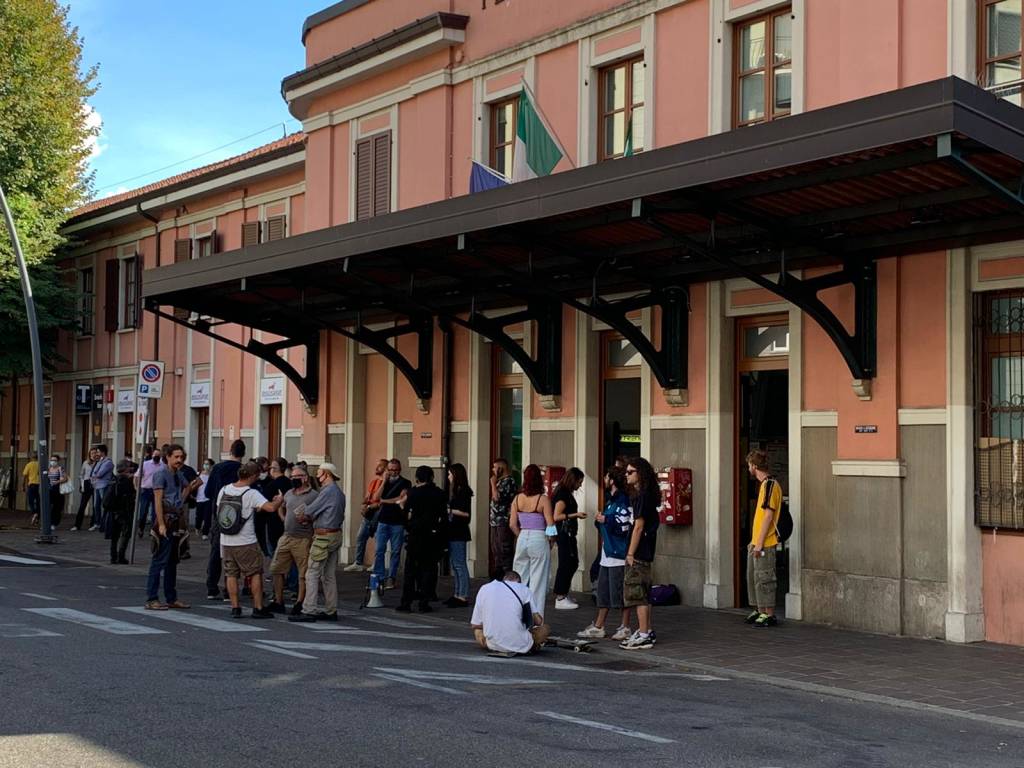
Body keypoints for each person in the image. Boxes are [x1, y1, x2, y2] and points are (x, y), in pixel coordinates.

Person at [218, 461, 285, 619]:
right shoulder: (251, 493)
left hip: (226, 540)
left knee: (231, 574)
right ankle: (258, 607)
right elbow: (270, 508)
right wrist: (280, 500)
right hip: (246, 541)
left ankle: (235, 607)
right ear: (254, 476)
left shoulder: (224, 490)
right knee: (255, 573)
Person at [578, 466, 635, 641]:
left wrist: (606, 520)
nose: (604, 479)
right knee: (603, 592)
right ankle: (599, 625)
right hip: (608, 553)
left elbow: (624, 527)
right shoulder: (612, 501)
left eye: (606, 476)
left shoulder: (623, 501)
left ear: (612, 480)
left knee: (620, 594)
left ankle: (625, 627)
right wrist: (601, 521)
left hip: (618, 554)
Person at [289, 462, 347, 623]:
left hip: (323, 536)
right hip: (335, 535)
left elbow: (309, 510)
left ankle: (309, 610)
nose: (317, 476)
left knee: (312, 573)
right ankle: (331, 609)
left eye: (319, 473)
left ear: (327, 474)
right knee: (328, 575)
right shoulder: (339, 492)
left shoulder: (327, 491)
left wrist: (302, 514)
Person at [145, 444, 201, 611]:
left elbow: (188, 486)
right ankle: (152, 598)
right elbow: (157, 500)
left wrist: (182, 499)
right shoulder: (160, 474)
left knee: (172, 561)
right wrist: (161, 524)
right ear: (167, 457)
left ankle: (171, 597)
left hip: (176, 518)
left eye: (181, 457)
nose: (179, 460)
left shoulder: (179, 474)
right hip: (166, 520)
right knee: (159, 560)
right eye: (176, 457)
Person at [620, 457, 661, 650]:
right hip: (645, 549)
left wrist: (630, 552)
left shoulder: (642, 496)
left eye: (630, 472)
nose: (626, 475)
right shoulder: (645, 495)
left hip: (639, 551)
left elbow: (638, 526)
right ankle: (646, 630)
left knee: (637, 593)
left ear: (640, 474)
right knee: (642, 591)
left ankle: (644, 633)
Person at [396, 466, 448, 613]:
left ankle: (406, 602)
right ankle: (424, 602)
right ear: (431, 477)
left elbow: (406, 516)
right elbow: (444, 517)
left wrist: (408, 525)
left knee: (410, 570)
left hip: (415, 535)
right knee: (428, 570)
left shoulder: (413, 493)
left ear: (417, 478)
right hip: (432, 536)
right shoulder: (439, 494)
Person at [268, 463, 317, 615]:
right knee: (276, 569)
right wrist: (283, 518)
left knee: (303, 573)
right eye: (293, 477)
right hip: (286, 536)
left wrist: (309, 520)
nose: (295, 479)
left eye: (298, 477)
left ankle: (299, 602)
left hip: (303, 538)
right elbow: (280, 506)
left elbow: (318, 514)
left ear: (306, 478)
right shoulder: (289, 493)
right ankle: (278, 601)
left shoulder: (313, 495)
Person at [510, 464, 555, 620]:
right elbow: (550, 524)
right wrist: (551, 541)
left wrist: (521, 534)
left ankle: (515, 615)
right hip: (539, 537)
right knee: (538, 582)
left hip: (522, 537)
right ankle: (536, 620)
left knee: (518, 579)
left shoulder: (517, 498)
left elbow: (512, 524)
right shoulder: (543, 499)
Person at [470, 569, 550, 655]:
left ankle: (496, 644)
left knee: (478, 631)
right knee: (545, 629)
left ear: (504, 578)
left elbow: (475, 625)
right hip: (521, 644)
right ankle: (529, 645)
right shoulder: (524, 589)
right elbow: (538, 621)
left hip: (492, 644)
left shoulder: (484, 588)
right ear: (518, 581)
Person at [745, 449, 783, 629]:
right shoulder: (764, 485)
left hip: (765, 542)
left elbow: (768, 515)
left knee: (765, 578)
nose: (748, 469)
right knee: (754, 577)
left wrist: (759, 543)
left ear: (754, 466)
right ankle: (759, 609)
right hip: (756, 541)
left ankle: (769, 614)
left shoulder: (770, 485)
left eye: (749, 465)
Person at [205, 440, 246, 600]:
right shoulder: (243, 470)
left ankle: (211, 587)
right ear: (243, 453)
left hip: (219, 514)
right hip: (238, 516)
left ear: (230, 451)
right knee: (233, 553)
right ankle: (230, 589)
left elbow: (208, 492)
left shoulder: (217, 468)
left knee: (216, 551)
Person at [373, 458, 412, 590]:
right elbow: (375, 497)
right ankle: (379, 577)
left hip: (398, 522)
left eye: (395, 470)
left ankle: (391, 578)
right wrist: (384, 481)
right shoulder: (384, 482)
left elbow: (400, 499)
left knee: (395, 552)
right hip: (383, 521)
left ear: (400, 470)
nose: (393, 473)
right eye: (390, 470)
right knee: (379, 551)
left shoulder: (406, 482)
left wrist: (384, 501)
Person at [344, 458, 387, 572]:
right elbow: (368, 497)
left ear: (386, 468)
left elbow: (381, 501)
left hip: (379, 514)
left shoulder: (386, 484)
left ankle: (376, 564)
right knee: (360, 537)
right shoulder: (373, 482)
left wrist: (371, 505)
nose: (377, 468)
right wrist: (364, 505)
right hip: (369, 514)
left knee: (379, 540)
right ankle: (358, 563)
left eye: (380, 466)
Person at [552, 467, 586, 610]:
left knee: (572, 562)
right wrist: (575, 515)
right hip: (565, 533)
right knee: (567, 562)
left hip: (568, 533)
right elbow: (557, 516)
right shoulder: (563, 495)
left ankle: (563, 593)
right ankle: (560, 596)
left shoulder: (564, 493)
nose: (580, 485)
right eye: (579, 482)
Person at [445, 463, 473, 608]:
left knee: (459, 564)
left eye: (450, 474)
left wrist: (450, 510)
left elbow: (466, 514)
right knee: (455, 564)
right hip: (453, 530)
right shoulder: (455, 491)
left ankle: (463, 595)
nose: (448, 477)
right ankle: (457, 593)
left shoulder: (464, 492)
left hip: (459, 531)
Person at [104, 460, 136, 564]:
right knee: (126, 534)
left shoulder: (113, 479)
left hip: (113, 510)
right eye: (129, 467)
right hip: (124, 511)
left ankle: (113, 556)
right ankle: (121, 556)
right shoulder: (127, 481)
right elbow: (131, 495)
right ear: (126, 468)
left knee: (115, 535)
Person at [489, 458, 517, 574]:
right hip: (495, 521)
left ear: (501, 468)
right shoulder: (500, 481)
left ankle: (506, 575)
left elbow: (497, 498)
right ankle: (498, 574)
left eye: (495, 467)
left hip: (503, 521)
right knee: (495, 549)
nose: (493, 470)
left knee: (504, 550)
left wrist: (492, 484)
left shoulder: (509, 481)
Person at [134, 446, 162, 537]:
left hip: (157, 491)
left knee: (156, 511)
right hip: (145, 490)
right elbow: (137, 476)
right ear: (152, 455)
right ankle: (141, 528)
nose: (156, 456)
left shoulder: (163, 466)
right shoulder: (145, 464)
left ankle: (153, 530)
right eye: (155, 455)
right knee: (143, 511)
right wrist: (137, 488)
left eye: (158, 455)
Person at [70, 448, 97, 531]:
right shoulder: (86, 463)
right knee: (82, 505)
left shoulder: (99, 463)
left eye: (95, 453)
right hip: (86, 483)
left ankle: (93, 524)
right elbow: (81, 475)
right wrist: (82, 486)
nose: (93, 454)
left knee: (95, 505)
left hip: (96, 484)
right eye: (92, 453)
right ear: (89, 454)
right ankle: (77, 525)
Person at [90, 445, 114, 536]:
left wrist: (95, 475)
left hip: (103, 485)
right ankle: (97, 523)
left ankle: (104, 523)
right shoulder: (100, 461)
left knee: (104, 505)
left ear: (103, 452)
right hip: (97, 485)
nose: (97, 454)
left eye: (98, 452)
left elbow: (99, 474)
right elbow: (93, 472)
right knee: (96, 505)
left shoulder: (108, 462)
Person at [46, 455, 68, 532]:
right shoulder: (49, 469)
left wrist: (57, 482)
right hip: (50, 490)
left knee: (57, 507)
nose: (53, 462)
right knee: (49, 507)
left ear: (58, 461)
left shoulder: (60, 469)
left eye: (55, 460)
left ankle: (54, 523)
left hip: (58, 490)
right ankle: (48, 523)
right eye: (52, 460)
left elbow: (65, 478)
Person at [195, 459, 214, 539]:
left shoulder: (212, 476)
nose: (206, 466)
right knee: (199, 516)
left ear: (211, 466)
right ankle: (197, 527)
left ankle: (205, 533)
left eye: (207, 464)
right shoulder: (198, 474)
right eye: (204, 464)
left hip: (208, 498)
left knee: (207, 516)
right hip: (199, 498)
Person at [23, 452, 40, 526]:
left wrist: (23, 485)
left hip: (32, 485)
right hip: (40, 486)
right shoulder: (41, 464)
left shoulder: (29, 464)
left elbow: (25, 475)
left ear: (31, 457)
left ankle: (34, 513)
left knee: (31, 501)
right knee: (39, 502)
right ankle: (37, 519)